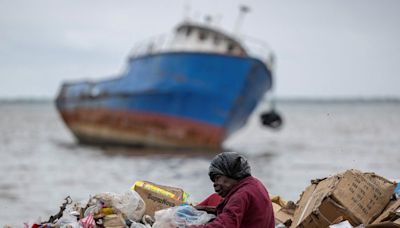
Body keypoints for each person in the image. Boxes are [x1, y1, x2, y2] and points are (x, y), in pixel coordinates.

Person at [189, 152, 275, 228]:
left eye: (217, 178)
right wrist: (202, 209)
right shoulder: (255, 184)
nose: (214, 184)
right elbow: (232, 213)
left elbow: (224, 225)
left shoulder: (241, 195)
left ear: (231, 174)